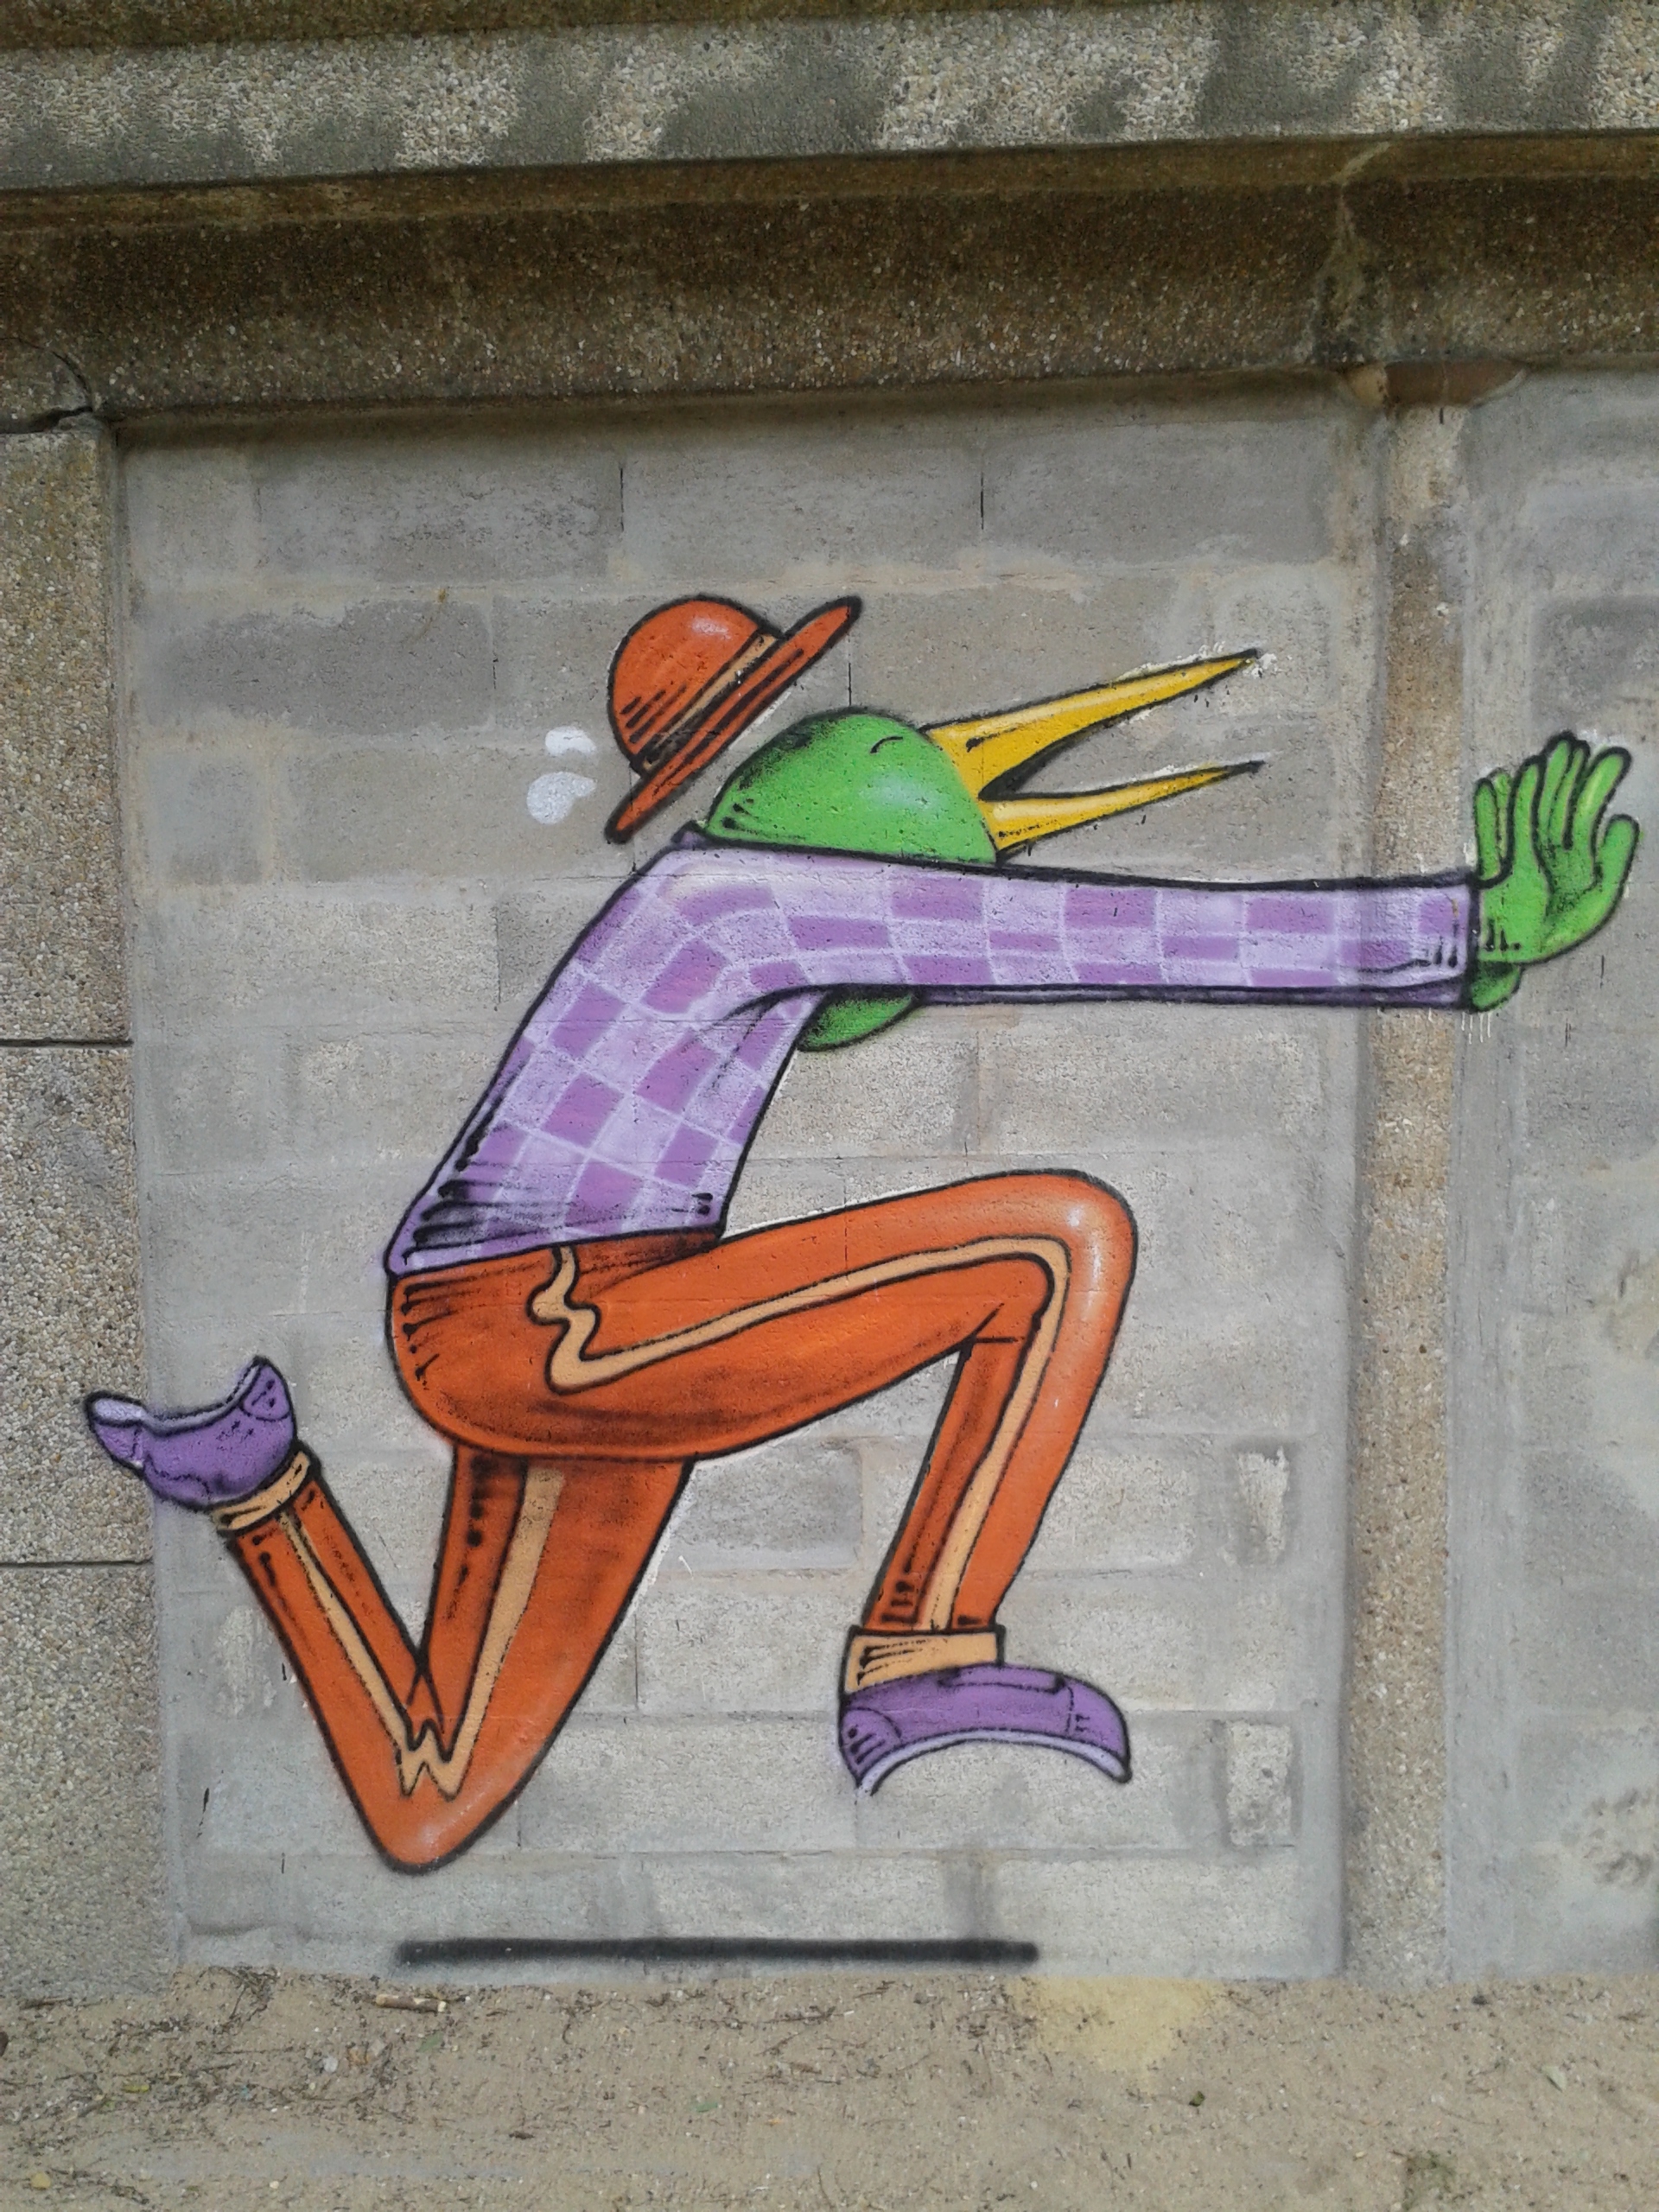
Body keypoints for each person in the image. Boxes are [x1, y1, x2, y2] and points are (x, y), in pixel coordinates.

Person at [86, 593, 1639, 1870]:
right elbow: (1082, 939)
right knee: (1056, 1242)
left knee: (433, 1798)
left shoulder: (709, 911)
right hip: (550, 1322)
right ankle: (922, 1652)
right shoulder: (736, 901)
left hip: (547, 1330)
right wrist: (1457, 930)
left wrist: (1469, 952)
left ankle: (260, 1487)